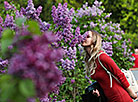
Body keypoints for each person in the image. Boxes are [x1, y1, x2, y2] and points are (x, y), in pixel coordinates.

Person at [81, 30, 137, 102]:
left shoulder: (102, 57)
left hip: (120, 97)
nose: (84, 38)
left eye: (88, 37)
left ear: (94, 41)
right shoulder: (92, 60)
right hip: (109, 98)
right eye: (83, 36)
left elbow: (119, 74)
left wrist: (132, 93)